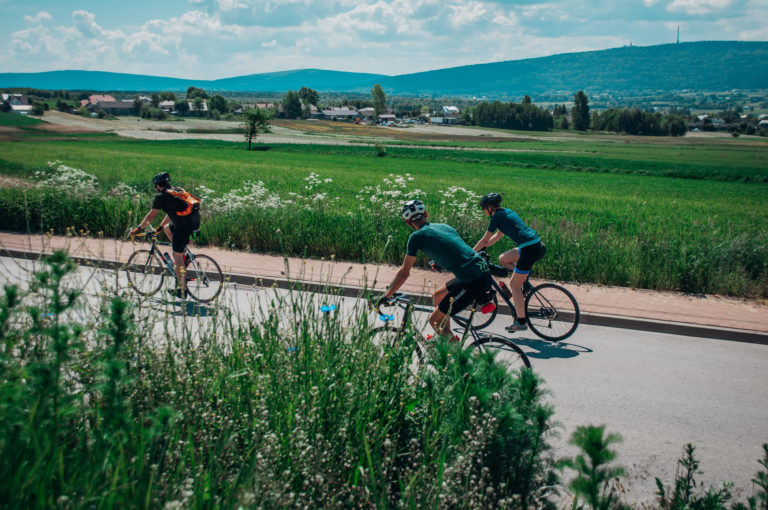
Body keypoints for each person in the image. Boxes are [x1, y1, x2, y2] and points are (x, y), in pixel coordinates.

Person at [382, 200, 492, 341]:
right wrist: (438, 261)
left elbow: (404, 272)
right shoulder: (445, 227)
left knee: (434, 320)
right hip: (480, 272)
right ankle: (446, 337)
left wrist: (386, 295)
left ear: (408, 223)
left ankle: (458, 359)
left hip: (472, 280)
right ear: (426, 214)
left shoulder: (416, 237)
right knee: (437, 296)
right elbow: (456, 248)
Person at [473, 193, 545, 332]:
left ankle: (521, 322)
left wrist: (471, 253)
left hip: (529, 249)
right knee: (503, 259)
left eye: (483, 208)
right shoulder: (506, 212)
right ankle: (524, 281)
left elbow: (484, 239)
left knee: (513, 285)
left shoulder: (496, 217)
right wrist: (483, 247)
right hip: (537, 245)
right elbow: (497, 236)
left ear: (489, 208)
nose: (483, 211)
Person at [131, 172, 201, 299]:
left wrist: (138, 229)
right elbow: (171, 213)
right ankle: (182, 255)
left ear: (158, 186)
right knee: (168, 229)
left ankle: (182, 290)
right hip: (194, 224)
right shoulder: (176, 191)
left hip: (184, 227)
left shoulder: (161, 197)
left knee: (177, 255)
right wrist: (160, 228)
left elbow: (150, 216)